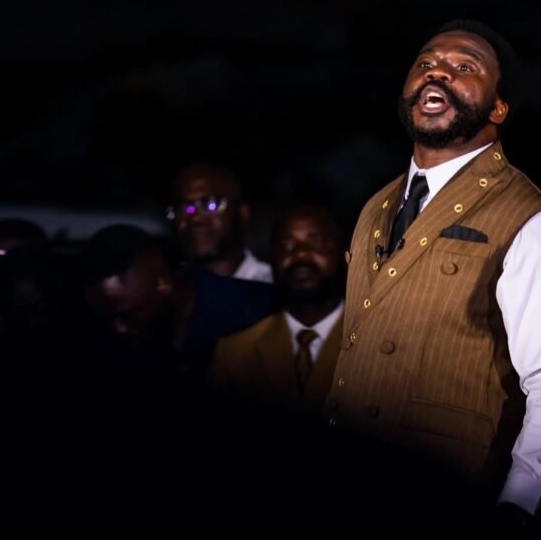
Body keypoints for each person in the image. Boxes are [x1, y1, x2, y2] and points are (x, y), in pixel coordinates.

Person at [330, 19, 541, 524]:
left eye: (464, 67)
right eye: (426, 63)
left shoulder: (532, 220)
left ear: (498, 108)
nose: (438, 73)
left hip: (448, 500)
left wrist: (518, 503)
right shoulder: (376, 207)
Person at [80, 224, 277, 375]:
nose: (119, 329)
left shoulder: (252, 314)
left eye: (128, 315)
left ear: (163, 282)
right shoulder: (124, 349)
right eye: (107, 319)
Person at [209, 204, 346, 413]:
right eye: (287, 244)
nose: (301, 254)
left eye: (316, 242)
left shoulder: (377, 341)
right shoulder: (234, 353)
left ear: (344, 254)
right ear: (271, 257)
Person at [168, 163, 273, 283]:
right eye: (184, 208)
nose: (195, 219)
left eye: (210, 205)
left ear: (243, 212)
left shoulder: (272, 284)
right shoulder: (167, 288)